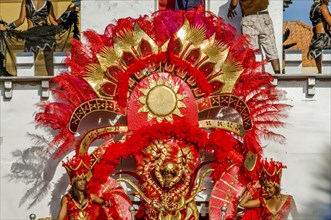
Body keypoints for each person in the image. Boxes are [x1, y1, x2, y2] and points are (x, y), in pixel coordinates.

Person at [0, 0, 76, 76]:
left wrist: (7, 27)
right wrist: (68, 12)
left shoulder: (26, 1)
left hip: (32, 35)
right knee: (50, 63)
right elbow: (55, 23)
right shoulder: (48, 3)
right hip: (46, 34)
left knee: (27, 62)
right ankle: (53, 84)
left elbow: (20, 20)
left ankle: (25, 84)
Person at [227, 0, 281, 74]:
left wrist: (231, 9)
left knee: (250, 52)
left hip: (248, 19)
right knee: (272, 51)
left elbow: (234, 3)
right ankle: (279, 77)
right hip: (264, 17)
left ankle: (252, 78)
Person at [57, 155, 111, 220]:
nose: (83, 182)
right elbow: (60, 218)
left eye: (84, 179)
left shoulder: (91, 197)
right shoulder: (67, 199)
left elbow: (105, 203)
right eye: (79, 180)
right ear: (74, 182)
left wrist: (108, 202)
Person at [308, 0, 331, 73]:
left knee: (321, 69)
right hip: (324, 39)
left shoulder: (313, 8)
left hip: (316, 38)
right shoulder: (323, 7)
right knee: (327, 69)